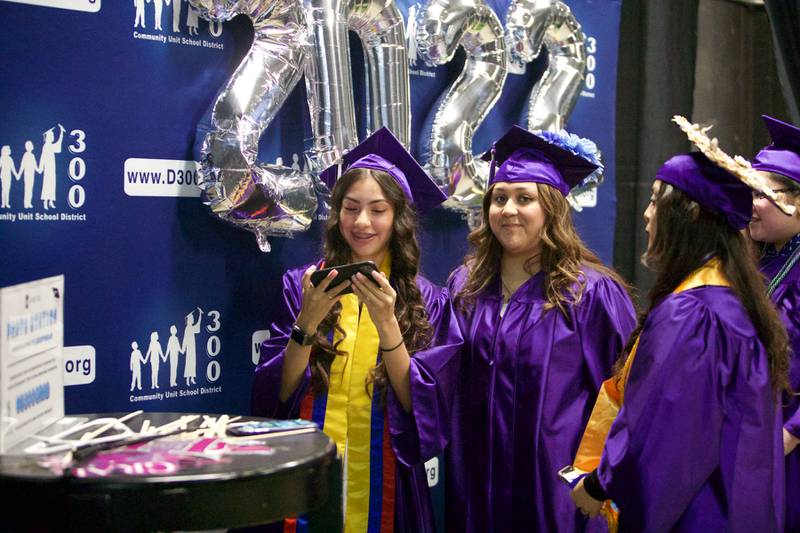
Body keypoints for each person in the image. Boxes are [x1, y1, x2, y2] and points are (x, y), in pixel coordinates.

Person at [388, 125, 637, 532]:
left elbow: (626, 396)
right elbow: (439, 386)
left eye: (525, 199)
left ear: (551, 210)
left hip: (555, 497)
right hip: (475, 491)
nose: (508, 209)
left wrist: (601, 479)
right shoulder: (465, 287)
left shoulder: (590, 294)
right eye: (499, 198)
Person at [570, 118, 790, 532]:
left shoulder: (693, 315)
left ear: (687, 215)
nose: (647, 215)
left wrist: (599, 485)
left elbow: (661, 434)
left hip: (699, 514)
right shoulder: (735, 302)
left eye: (656, 202)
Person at [252, 127, 453, 532]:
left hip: (388, 488)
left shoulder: (428, 299)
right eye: (350, 207)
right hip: (303, 478)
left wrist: (387, 325)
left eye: (377, 209)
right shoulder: (302, 285)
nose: (362, 222)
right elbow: (278, 397)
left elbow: (423, 411)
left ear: (398, 218)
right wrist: (307, 321)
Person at [748, 114, 800, 532]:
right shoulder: (758, 262)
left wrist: (791, 433)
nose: (749, 203)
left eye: (762, 193)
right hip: (754, 438)